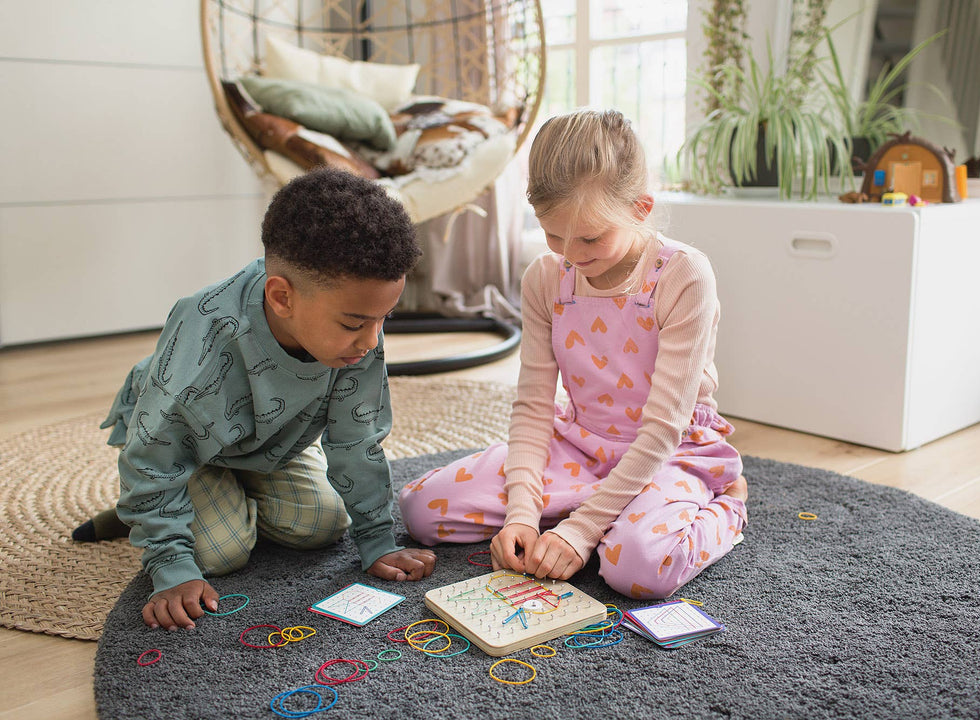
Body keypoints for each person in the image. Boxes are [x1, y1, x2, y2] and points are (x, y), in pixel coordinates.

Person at [398, 110, 748, 600]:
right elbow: (534, 406)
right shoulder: (546, 277)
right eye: (553, 234)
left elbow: (664, 428)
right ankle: (593, 507)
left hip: (670, 449)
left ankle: (726, 501)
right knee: (421, 509)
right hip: (580, 443)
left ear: (641, 208)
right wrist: (522, 512)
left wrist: (580, 532)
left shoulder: (682, 275)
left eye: (590, 238)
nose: (572, 253)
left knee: (638, 571)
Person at [73, 168, 435, 630]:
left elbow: (356, 438)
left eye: (384, 318)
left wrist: (378, 540)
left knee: (324, 525)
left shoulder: (358, 330)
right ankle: (151, 514)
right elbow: (153, 453)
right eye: (354, 324)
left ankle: (215, 500)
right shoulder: (202, 343)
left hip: (267, 441)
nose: (371, 340)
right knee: (223, 552)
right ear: (281, 298)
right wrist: (169, 563)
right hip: (180, 449)